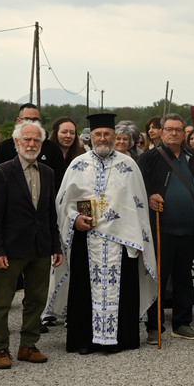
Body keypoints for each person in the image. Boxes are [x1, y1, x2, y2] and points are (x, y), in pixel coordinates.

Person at [45, 113, 156, 354]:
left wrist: (139, 240)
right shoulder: (78, 165)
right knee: (83, 291)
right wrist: (75, 219)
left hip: (122, 241)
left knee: (123, 291)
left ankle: (121, 340)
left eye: (107, 134)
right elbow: (63, 203)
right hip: (87, 239)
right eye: (98, 134)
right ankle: (85, 341)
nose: (103, 138)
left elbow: (138, 207)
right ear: (91, 137)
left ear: (114, 136)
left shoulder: (129, 166)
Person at [0, 122, 64, 369]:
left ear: (41, 144)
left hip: (40, 247)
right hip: (10, 249)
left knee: (36, 299)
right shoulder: (2, 172)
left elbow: (49, 214)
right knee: (2, 302)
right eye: (27, 139)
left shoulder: (48, 173)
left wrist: (56, 246)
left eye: (36, 140)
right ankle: (0, 348)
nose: (31, 144)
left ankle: (28, 345)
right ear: (16, 142)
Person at [139, 113, 194, 343]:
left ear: (184, 133)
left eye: (178, 130)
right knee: (158, 278)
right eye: (169, 129)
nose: (174, 133)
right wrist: (150, 197)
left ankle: (182, 323)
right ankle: (154, 326)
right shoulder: (149, 158)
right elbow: (137, 188)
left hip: (188, 230)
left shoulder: (192, 157)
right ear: (161, 132)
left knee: (184, 278)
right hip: (161, 230)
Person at [0, 103, 66, 191]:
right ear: (18, 121)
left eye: (35, 119)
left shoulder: (52, 149)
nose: (31, 122)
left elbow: (59, 183)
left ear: (40, 122)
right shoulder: (4, 148)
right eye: (27, 119)